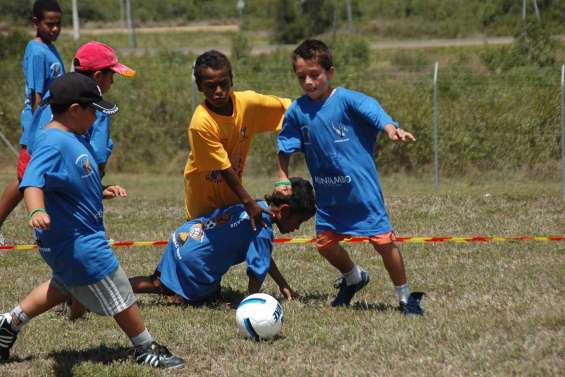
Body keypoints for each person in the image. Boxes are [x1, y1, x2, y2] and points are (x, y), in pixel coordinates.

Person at [0, 73, 185, 369]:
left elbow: (70, 182)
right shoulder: (52, 142)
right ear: (75, 110)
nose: (96, 116)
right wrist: (36, 211)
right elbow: (32, 182)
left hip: (73, 240)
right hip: (77, 241)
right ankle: (144, 347)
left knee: (63, 286)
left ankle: (9, 323)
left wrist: (100, 192)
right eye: (93, 110)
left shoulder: (69, 138)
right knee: (118, 288)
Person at [275, 39, 424, 314]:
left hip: (361, 194)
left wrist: (391, 129)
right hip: (330, 198)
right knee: (325, 244)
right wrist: (282, 176)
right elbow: (285, 146)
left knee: (383, 243)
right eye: (301, 77)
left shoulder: (347, 100)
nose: (308, 82)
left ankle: (405, 298)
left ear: (330, 72)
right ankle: (354, 277)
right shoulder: (297, 110)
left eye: (315, 75)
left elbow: (375, 112)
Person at [129, 177, 315, 305]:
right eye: (298, 221)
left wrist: (283, 285)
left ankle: (115, 288)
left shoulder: (254, 205)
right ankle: (183, 296)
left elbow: (263, 257)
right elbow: (256, 272)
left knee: (155, 282)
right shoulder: (262, 230)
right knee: (210, 300)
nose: (297, 228)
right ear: (284, 211)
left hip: (184, 237)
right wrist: (251, 302)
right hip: (195, 262)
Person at [184, 50, 291, 231]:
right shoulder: (201, 122)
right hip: (204, 205)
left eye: (223, 84)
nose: (219, 91)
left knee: (255, 236)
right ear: (200, 87)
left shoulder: (247, 103)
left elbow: (289, 109)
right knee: (209, 252)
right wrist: (248, 202)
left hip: (233, 197)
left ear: (231, 80)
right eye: (211, 86)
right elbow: (223, 168)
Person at [0, 0, 64, 245]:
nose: (55, 29)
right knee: (26, 180)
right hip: (39, 128)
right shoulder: (37, 50)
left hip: (48, 126)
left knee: (29, 179)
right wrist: (44, 131)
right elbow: (36, 98)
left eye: (58, 24)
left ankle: (49, 230)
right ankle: (43, 230)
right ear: (36, 23)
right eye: (50, 24)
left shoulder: (49, 47)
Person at [27, 41, 136, 176]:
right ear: (98, 76)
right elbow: (99, 154)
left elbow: (32, 138)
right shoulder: (95, 105)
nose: (112, 82)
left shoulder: (55, 92)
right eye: (111, 76)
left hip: (42, 165)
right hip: (77, 175)